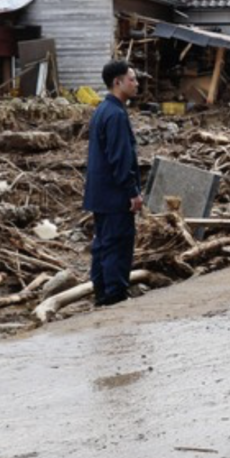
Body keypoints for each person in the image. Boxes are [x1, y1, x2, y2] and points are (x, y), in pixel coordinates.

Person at [84, 60, 145, 307]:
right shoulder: (116, 114)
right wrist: (132, 192)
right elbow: (121, 158)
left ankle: (101, 292)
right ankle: (115, 295)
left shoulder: (102, 110)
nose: (136, 83)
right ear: (117, 83)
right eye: (132, 79)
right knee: (118, 244)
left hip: (100, 194)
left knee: (102, 245)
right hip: (114, 194)